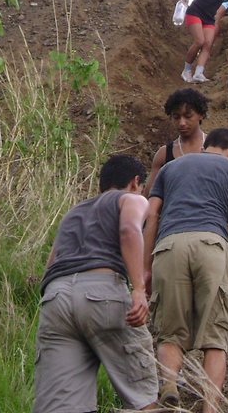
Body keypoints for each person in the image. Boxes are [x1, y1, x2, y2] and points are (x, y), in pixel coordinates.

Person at [144, 128, 228, 413]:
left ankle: (171, 385)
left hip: (169, 246)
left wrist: (145, 270)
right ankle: (210, 407)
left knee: (170, 332)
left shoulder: (171, 167)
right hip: (212, 246)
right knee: (215, 338)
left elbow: (151, 215)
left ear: (205, 146)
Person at [32, 153, 158, 413]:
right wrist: (138, 289)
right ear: (136, 182)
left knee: (61, 405)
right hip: (102, 292)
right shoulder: (132, 199)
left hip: (55, 299)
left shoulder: (73, 212)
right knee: (141, 395)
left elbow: (51, 263)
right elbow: (129, 230)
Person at [144, 88, 210, 196]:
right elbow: (149, 195)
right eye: (176, 117)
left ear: (201, 115)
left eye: (188, 116)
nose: (182, 123)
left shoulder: (216, 148)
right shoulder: (164, 154)